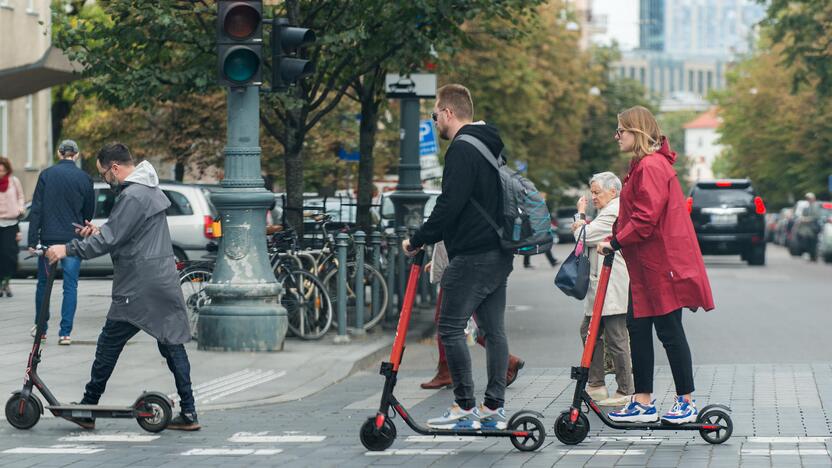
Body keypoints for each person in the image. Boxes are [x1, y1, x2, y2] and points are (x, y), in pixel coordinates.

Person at [45, 142, 199, 431]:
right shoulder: (149, 190)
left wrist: (67, 249)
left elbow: (109, 241)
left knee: (108, 344)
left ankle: (88, 406)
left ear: (115, 167)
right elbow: (126, 233)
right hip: (160, 278)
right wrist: (101, 231)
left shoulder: (133, 195)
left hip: (139, 285)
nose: (106, 179)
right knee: (171, 344)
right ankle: (189, 412)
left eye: (104, 174)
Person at [402, 84, 514, 430]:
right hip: (498, 250)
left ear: (448, 112)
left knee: (450, 328)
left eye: (435, 115)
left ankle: (465, 406)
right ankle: (493, 407)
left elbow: (450, 205)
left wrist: (418, 239)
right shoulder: (488, 143)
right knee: (494, 331)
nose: (435, 123)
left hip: (472, 254)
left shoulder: (462, 149)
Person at [597, 106, 714, 424]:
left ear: (636, 132)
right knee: (638, 328)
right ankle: (644, 400)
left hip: (661, 265)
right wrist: (615, 235)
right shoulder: (642, 166)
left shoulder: (651, 166)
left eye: (620, 130)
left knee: (669, 330)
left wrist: (616, 241)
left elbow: (646, 218)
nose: (616, 136)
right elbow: (631, 212)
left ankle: (686, 401)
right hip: (646, 267)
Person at [421, 241, 525, 390]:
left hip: (463, 262)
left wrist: (415, 242)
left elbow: (443, 226)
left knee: (448, 320)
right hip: (482, 259)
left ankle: (451, 375)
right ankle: (504, 366)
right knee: (478, 322)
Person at [570, 172, 633, 407]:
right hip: (602, 285)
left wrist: (580, 218)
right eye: (592, 192)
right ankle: (597, 385)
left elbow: (582, 236)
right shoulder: (608, 210)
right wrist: (584, 224)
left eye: (597, 192)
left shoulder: (614, 210)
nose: (593, 196)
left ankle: (625, 388)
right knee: (590, 331)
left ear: (613, 191)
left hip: (613, 283)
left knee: (616, 337)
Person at [27, 140, 95, 345]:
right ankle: (65, 333)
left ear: (59, 153)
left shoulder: (46, 175)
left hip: (48, 240)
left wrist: (32, 240)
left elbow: (36, 209)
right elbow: (88, 212)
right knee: (70, 286)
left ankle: (42, 328)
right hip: (72, 241)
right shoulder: (84, 178)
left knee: (43, 284)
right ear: (77, 154)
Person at [0, 157, 25, 297]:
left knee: (9, 255)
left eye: (3, 170)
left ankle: (7, 283)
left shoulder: (14, 182)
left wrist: (20, 208)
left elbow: (21, 197)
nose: (1, 173)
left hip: (11, 223)